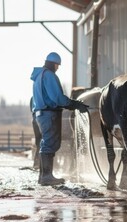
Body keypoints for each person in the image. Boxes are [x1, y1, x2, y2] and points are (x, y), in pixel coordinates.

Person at [30, 52, 88, 186]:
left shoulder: (39, 76)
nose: (57, 68)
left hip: (40, 114)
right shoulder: (49, 76)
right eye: (57, 65)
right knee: (50, 143)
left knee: (46, 143)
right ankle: (47, 177)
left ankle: (43, 176)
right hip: (49, 114)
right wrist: (75, 104)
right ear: (54, 64)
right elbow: (57, 98)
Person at [29, 96, 41, 169]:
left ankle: (36, 163)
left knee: (38, 141)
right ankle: (40, 163)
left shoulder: (33, 97)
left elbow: (31, 109)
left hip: (35, 120)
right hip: (42, 119)